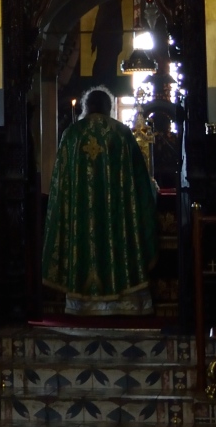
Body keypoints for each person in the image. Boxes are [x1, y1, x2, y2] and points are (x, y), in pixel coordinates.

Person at [42, 86, 158, 316]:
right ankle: (124, 303)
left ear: (86, 107)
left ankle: (82, 304)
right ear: (109, 107)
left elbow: (59, 184)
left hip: (81, 216)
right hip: (117, 215)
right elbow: (141, 182)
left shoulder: (72, 135)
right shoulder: (122, 134)